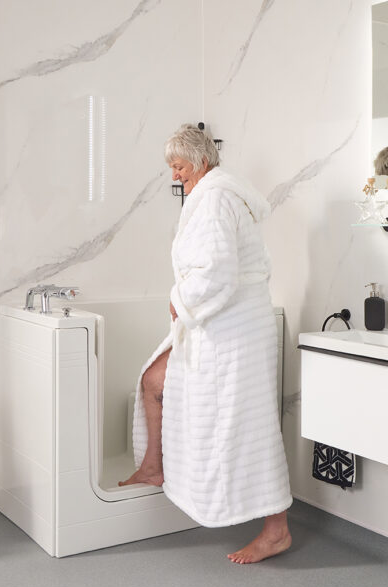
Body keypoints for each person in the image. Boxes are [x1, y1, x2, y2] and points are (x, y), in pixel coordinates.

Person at [120, 123, 293, 564]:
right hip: (223, 324)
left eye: (178, 166)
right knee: (154, 380)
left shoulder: (215, 198)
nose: (174, 175)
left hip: (229, 329)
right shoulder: (216, 193)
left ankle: (277, 530)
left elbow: (216, 269)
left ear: (198, 162)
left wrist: (180, 300)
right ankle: (155, 466)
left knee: (247, 428)